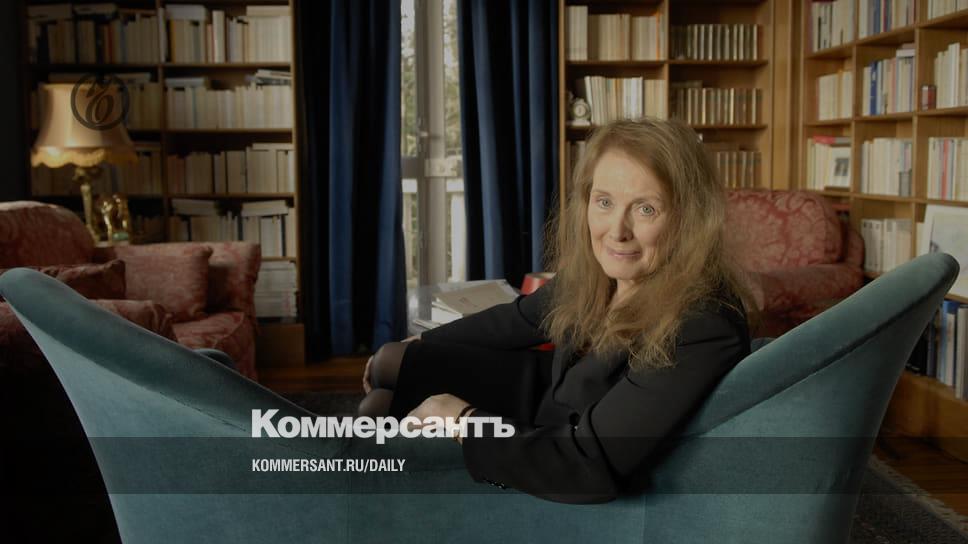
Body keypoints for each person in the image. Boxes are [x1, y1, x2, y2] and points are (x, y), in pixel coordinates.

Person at [358, 117, 752, 503]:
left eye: (645, 209)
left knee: (381, 409)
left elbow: (587, 465)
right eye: (604, 202)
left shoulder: (703, 323)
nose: (617, 231)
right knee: (393, 363)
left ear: (688, 218)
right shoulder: (600, 275)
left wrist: (462, 420)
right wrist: (421, 341)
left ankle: (381, 505)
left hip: (564, 451)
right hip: (547, 397)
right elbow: (518, 318)